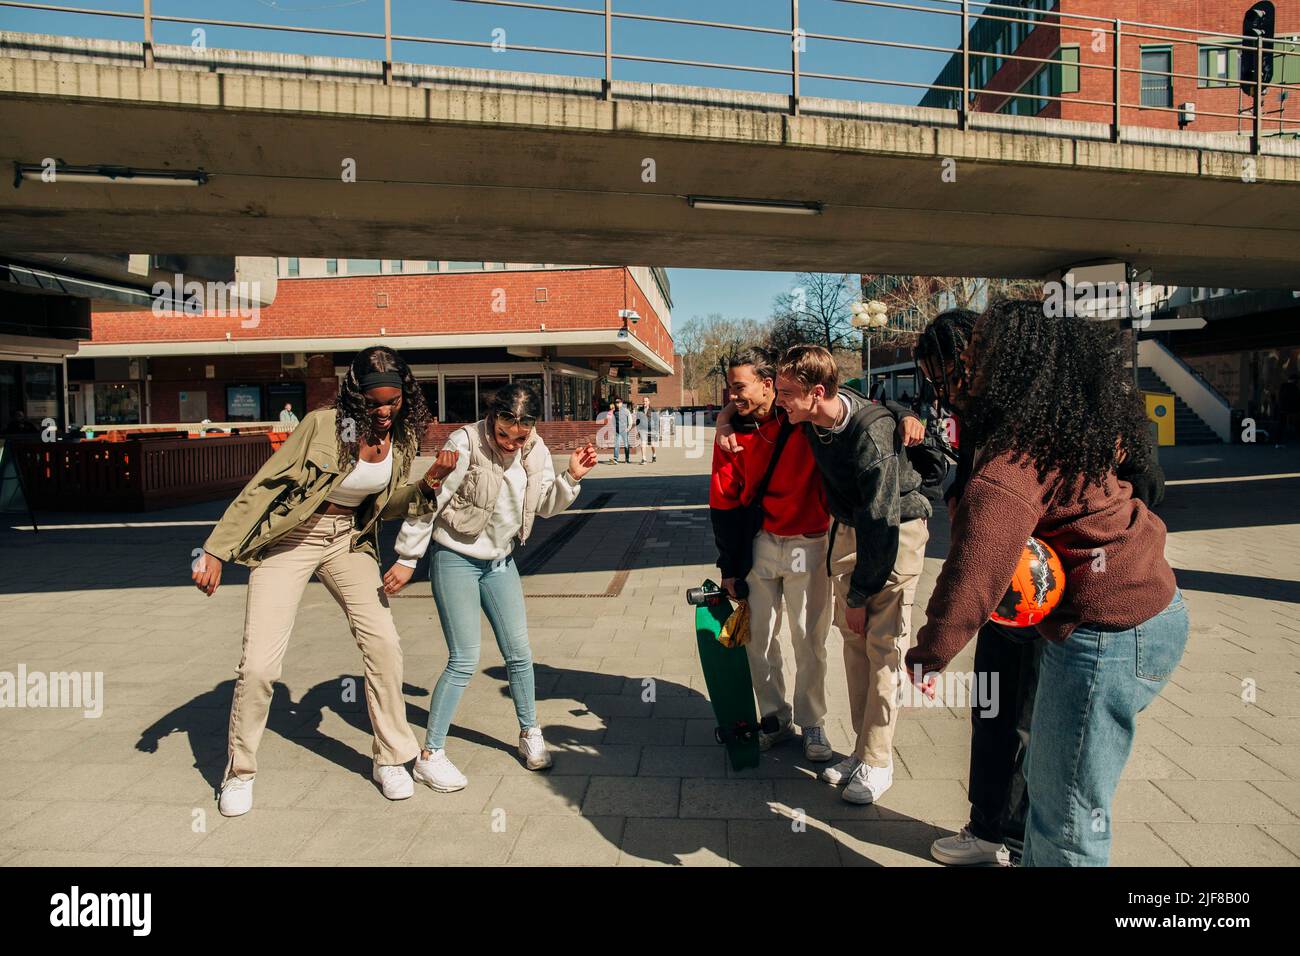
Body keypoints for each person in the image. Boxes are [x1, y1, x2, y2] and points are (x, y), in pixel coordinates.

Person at [905, 301, 1187, 867]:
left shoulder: (1011, 463)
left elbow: (972, 572)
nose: (965, 366)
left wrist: (929, 654)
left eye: (979, 351)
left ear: (1007, 362)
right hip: (1144, 613)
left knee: (1066, 819)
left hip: (1106, 633)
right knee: (1049, 790)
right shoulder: (1064, 424)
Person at [194, 345, 450, 817]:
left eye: (393, 401)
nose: (384, 411)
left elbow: (386, 507)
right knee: (259, 667)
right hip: (292, 538)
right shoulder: (324, 426)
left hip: (347, 542)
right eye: (374, 403)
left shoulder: (403, 437)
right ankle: (240, 772)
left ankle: (392, 759)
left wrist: (429, 483)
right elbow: (266, 485)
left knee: (385, 646)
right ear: (356, 396)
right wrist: (215, 549)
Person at [384, 384, 598, 791]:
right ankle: (430, 755)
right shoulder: (464, 443)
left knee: (519, 654)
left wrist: (571, 476)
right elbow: (429, 499)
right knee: (464, 658)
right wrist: (408, 557)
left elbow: (545, 504)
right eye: (503, 435)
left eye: (519, 437)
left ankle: (529, 732)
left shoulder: (534, 450)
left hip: (501, 563)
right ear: (490, 419)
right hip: (455, 558)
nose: (510, 444)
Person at [773, 346, 930, 804]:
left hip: (892, 533)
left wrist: (861, 594)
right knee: (854, 645)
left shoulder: (871, 435)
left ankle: (879, 763)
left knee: (883, 648)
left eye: (786, 393)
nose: (778, 401)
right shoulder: (818, 415)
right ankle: (864, 752)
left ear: (817, 392)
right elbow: (878, 401)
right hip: (849, 531)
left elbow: (881, 521)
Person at [710, 347, 834, 759]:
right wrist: (729, 566)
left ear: (769, 385)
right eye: (729, 388)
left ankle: (813, 722)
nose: (732, 395)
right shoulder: (732, 434)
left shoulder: (799, 415)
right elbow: (724, 501)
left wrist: (902, 415)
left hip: (809, 542)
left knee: (808, 638)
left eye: (739, 386)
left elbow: (840, 399)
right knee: (758, 641)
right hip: (761, 542)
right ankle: (775, 717)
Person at [638, 396, 659, 464]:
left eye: (646, 401)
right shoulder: (640, 410)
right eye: (644, 401)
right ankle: (644, 459)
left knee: (652, 444)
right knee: (643, 444)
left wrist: (656, 431)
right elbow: (637, 420)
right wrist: (638, 430)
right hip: (643, 429)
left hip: (652, 429)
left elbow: (657, 421)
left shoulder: (653, 410)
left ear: (649, 402)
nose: (645, 402)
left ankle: (654, 455)